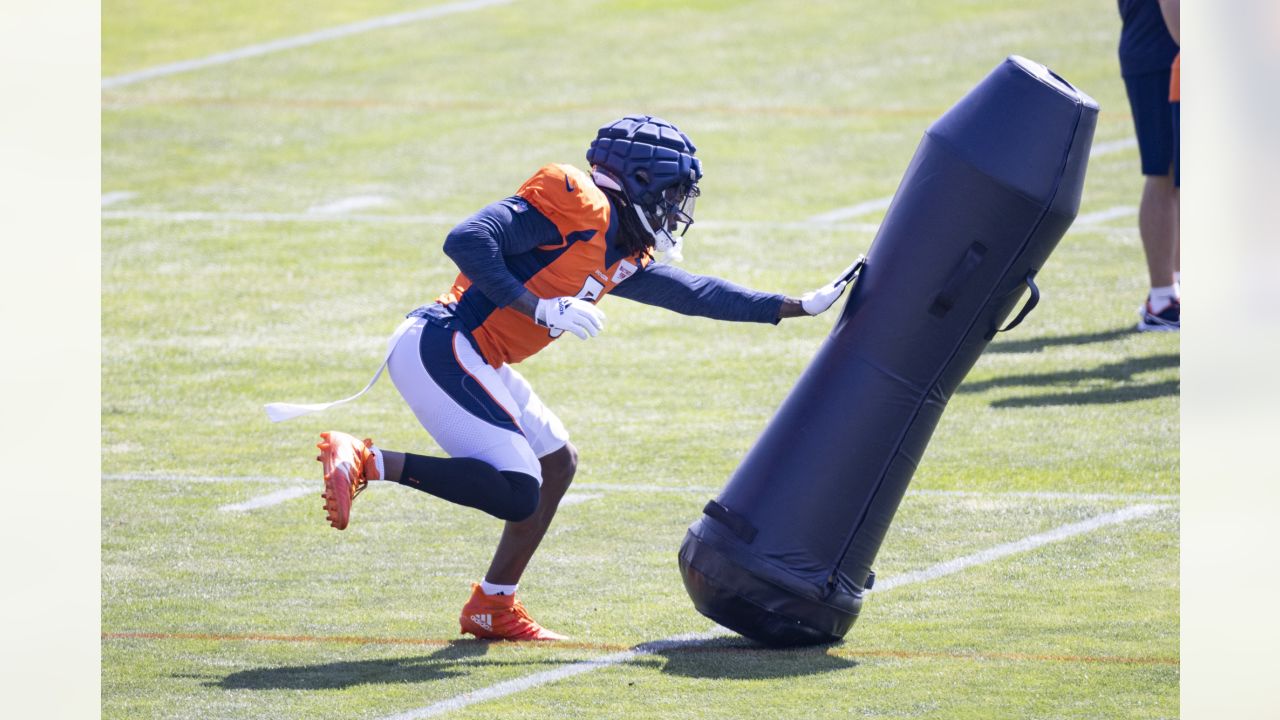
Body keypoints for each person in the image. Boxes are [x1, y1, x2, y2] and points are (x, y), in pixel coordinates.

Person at [304, 115, 859, 640]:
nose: (676, 209)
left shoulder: (618, 246)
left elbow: (693, 292)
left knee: (556, 464)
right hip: (442, 342)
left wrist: (796, 307)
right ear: (639, 181)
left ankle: (493, 606)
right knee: (520, 489)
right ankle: (368, 460)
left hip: (476, 353)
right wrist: (537, 308)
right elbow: (467, 240)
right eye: (670, 195)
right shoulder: (575, 202)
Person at [1118, 0, 1180, 331]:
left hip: (1165, 53)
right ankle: (1162, 301)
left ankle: (1178, 288)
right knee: (1163, 173)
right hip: (1157, 56)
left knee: (1182, 175)